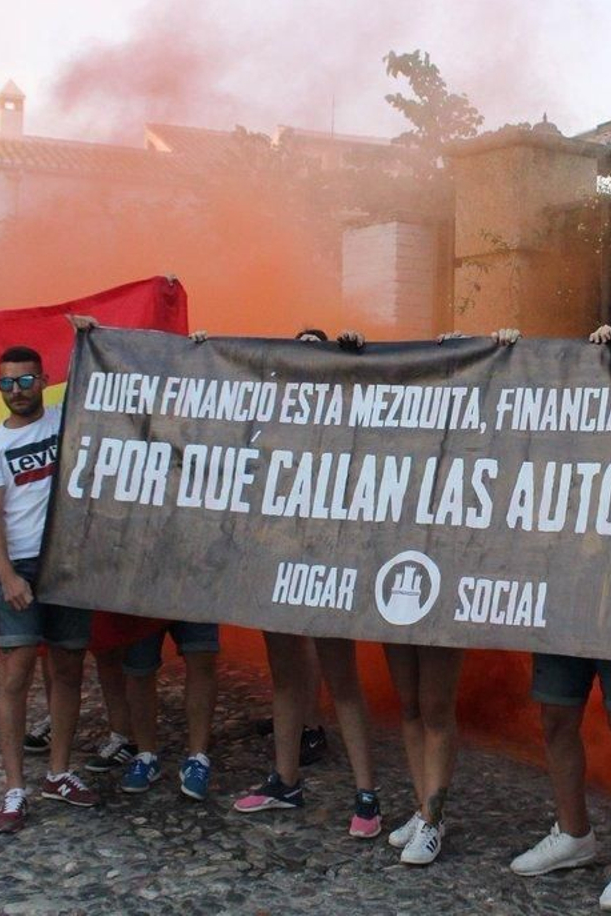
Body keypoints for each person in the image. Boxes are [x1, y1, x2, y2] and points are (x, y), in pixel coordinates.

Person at [506, 314, 611, 912]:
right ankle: (574, 834)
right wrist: (508, 353)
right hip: (565, 590)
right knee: (555, 717)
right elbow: (512, 415)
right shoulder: (567, 411)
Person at [225, 327, 383, 838]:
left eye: (320, 352)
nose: (309, 360)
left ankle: (367, 795)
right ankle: (285, 780)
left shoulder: (351, 413)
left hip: (331, 562)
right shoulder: (272, 418)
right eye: (301, 351)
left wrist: (355, 356)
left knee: (342, 680)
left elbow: (390, 409)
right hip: (279, 559)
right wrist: (198, 350)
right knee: (287, 677)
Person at [384, 326, 521, 866]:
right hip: (394, 574)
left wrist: (506, 348)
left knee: (436, 706)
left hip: (443, 578)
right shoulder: (398, 429)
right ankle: (422, 808)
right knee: (410, 705)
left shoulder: (478, 437)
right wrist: (346, 351)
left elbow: (518, 410)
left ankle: (434, 819)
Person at [0, 344, 100, 832]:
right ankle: (14, 787)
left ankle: (59, 772)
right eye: (7, 383)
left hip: (67, 564)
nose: (17, 391)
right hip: (20, 565)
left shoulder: (67, 420)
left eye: (25, 381)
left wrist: (89, 338)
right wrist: (7, 575)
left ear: (43, 380)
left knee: (68, 669)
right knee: (16, 674)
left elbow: (104, 383)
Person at [117, 621, 220, 800]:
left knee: (202, 658)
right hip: (143, 600)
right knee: (138, 668)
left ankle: (198, 759)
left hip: (198, 596)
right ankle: (145, 756)